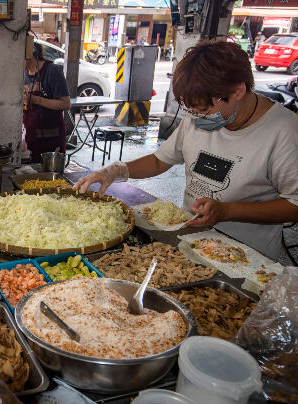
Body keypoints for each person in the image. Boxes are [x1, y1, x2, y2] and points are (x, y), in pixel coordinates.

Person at [74, 41, 298, 261]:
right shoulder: (198, 116)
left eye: (204, 109)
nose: (197, 116)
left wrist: (228, 211)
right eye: (192, 110)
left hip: (247, 257)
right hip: (190, 241)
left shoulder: (284, 131)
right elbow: (160, 160)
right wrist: (115, 170)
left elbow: (294, 205)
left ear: (239, 90)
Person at [23, 42, 71, 162]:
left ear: (30, 54)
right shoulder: (23, 74)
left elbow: (65, 103)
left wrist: (35, 100)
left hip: (51, 141)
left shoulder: (52, 71)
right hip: (30, 140)